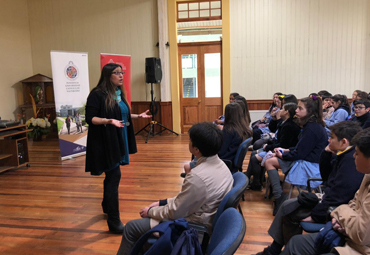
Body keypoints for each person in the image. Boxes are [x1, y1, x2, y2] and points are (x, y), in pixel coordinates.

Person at [116, 122, 233, 254]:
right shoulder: (221, 165)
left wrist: (151, 211)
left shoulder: (198, 177)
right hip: (203, 219)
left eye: (190, 140)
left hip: (192, 229)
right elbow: (187, 201)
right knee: (144, 234)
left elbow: (175, 212)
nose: (188, 142)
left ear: (196, 149)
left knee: (131, 228)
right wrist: (162, 203)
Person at [254, 121, 364, 255]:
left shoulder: (351, 162)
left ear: (344, 142)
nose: (328, 140)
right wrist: (326, 153)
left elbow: (338, 196)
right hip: (330, 203)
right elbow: (327, 179)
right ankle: (276, 249)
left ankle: (283, 250)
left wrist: (315, 216)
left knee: (289, 211)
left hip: (333, 209)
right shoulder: (343, 155)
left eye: (332, 137)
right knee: (287, 205)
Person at [85, 63, 151, 234]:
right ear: (107, 75)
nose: (121, 75)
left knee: (112, 175)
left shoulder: (117, 93)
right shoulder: (97, 94)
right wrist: (108, 121)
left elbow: (121, 114)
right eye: (117, 73)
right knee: (114, 176)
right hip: (105, 142)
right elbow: (90, 118)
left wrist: (138, 116)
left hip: (118, 140)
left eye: (122, 72)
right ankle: (114, 222)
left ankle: (106, 206)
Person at [264, 96, 327, 215]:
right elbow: (300, 148)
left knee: (269, 161)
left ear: (309, 111)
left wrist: (283, 155)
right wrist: (285, 150)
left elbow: (300, 153)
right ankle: (278, 194)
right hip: (307, 160)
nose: (296, 110)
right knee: (272, 158)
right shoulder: (312, 125)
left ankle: (279, 196)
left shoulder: (311, 129)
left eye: (300, 108)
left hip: (309, 165)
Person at [245, 103, 301, 191]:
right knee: (254, 153)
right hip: (279, 148)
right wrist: (275, 119)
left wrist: (268, 147)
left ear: (286, 112)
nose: (280, 111)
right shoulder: (285, 122)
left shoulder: (289, 126)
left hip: (282, 151)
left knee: (254, 158)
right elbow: (274, 130)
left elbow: (283, 145)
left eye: (282, 109)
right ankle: (255, 179)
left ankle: (256, 183)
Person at [185, 103, 252, 173]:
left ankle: (193, 174)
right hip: (230, 160)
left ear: (228, 115)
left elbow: (221, 151)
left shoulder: (229, 131)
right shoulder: (243, 128)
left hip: (223, 161)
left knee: (194, 154)